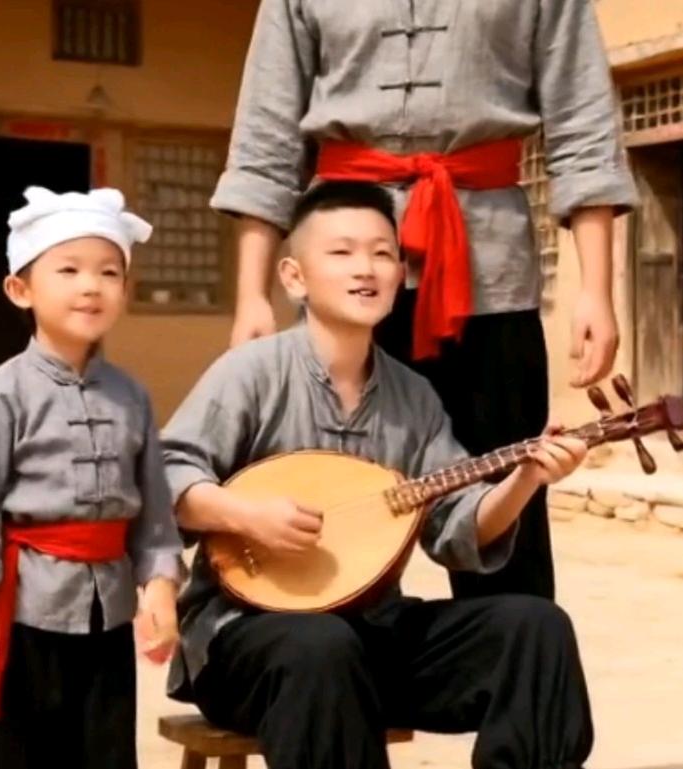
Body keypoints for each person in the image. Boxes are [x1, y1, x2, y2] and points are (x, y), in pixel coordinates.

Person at [210, 0, 638, 599]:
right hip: (341, 270)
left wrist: (595, 290)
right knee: (322, 507)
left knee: (509, 500)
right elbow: (266, 137)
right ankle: (322, 655)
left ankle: (503, 653)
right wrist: (252, 295)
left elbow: (583, 129)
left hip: (490, 278)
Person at [162, 181, 593, 769]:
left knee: (534, 628)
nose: (366, 268)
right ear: (294, 277)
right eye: (342, 252)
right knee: (322, 646)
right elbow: (167, 474)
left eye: (383, 253)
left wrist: (524, 480)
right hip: (247, 638)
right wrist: (246, 515)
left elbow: (457, 526)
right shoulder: (251, 373)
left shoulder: (413, 397)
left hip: (371, 631)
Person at [0, 186, 184, 769]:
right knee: (17, 749)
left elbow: (154, 511)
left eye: (108, 272)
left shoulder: (132, 396)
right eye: (68, 269)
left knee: (102, 749)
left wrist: (161, 587)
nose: (90, 285)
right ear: (20, 289)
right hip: (25, 606)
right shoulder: (2, 393)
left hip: (108, 610)